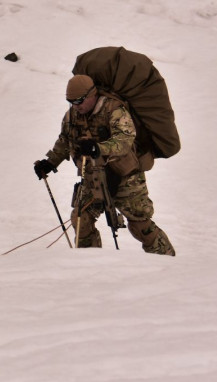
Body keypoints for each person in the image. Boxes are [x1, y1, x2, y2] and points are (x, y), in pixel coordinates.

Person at [34, 74, 175, 256]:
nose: (76, 106)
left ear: (92, 94)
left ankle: (168, 263)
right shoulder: (72, 116)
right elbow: (65, 141)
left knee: (141, 226)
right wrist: (50, 162)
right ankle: (91, 262)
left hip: (124, 176)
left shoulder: (114, 109)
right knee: (80, 219)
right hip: (93, 177)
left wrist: (98, 148)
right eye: (71, 102)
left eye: (79, 101)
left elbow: (125, 140)